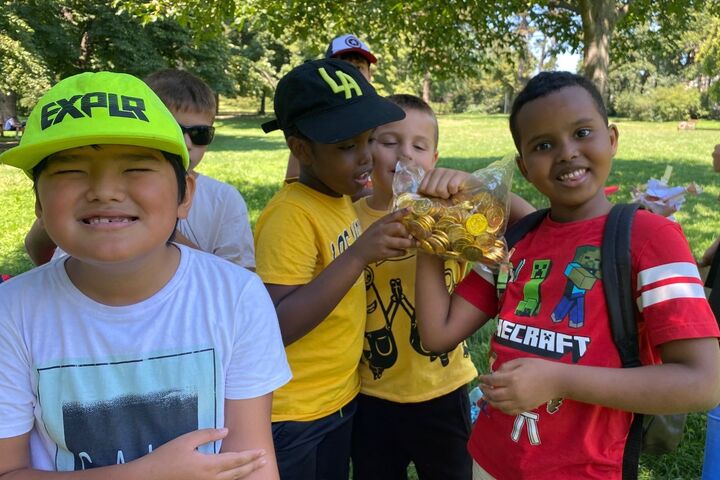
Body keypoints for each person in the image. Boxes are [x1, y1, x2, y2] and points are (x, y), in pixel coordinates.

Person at [415, 71, 720, 479]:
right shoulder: (515, 241)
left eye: (581, 132)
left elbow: (702, 382)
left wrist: (560, 378)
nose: (566, 153)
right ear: (524, 167)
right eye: (543, 145)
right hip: (489, 460)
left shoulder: (650, 239)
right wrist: (430, 226)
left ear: (611, 139)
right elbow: (438, 333)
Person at [0, 72, 291, 479]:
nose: (105, 190)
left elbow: (252, 463)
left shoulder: (236, 296)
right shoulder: (11, 313)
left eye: (136, 168)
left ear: (184, 194)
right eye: (70, 171)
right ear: (38, 205)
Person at [255, 58, 412, 480]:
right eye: (347, 146)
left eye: (370, 140)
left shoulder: (339, 194)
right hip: (295, 413)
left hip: (338, 398)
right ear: (301, 149)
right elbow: (277, 324)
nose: (366, 158)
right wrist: (359, 255)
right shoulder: (290, 216)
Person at [350, 94, 478, 480]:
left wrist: (470, 188)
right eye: (389, 142)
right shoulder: (349, 218)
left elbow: (518, 223)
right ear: (368, 150)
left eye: (419, 146)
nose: (405, 155)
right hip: (370, 393)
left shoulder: (454, 214)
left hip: (443, 389)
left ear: (435, 160)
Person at [24, 69, 256, 270]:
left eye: (200, 134)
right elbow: (39, 248)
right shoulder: (81, 200)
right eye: (173, 130)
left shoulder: (223, 199)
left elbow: (233, 275)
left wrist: (161, 226)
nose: (186, 143)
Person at [284, 33, 376, 195]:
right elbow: (294, 178)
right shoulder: (322, 119)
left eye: (358, 67)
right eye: (342, 66)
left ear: (370, 74)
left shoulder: (383, 116)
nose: (350, 74)